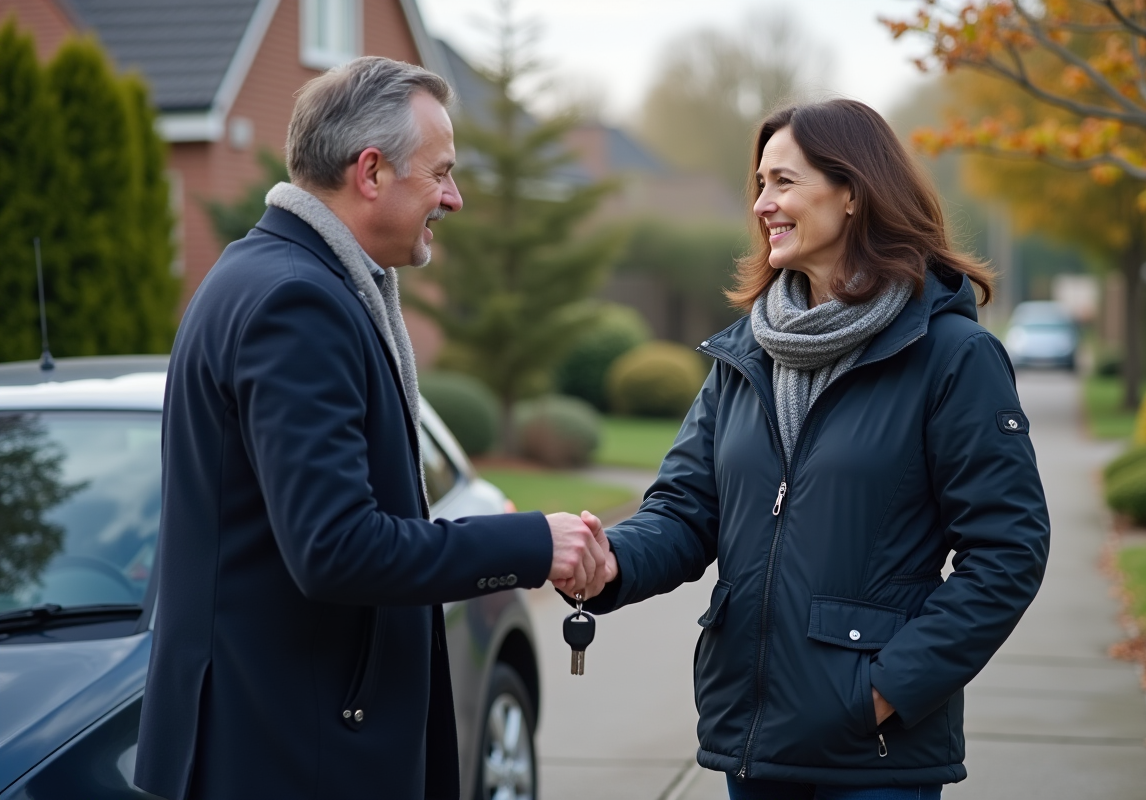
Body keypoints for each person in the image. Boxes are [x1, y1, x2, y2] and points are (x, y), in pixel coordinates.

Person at [134, 57, 611, 800]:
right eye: (442, 173)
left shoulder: (261, 275)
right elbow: (335, 548)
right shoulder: (298, 304)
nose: (453, 198)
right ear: (370, 172)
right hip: (289, 756)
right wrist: (533, 543)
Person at [578, 99, 1051, 799]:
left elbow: (1009, 549)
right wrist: (610, 562)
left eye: (785, 183)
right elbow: (685, 510)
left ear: (854, 192)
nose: (764, 203)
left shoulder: (953, 358)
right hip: (752, 743)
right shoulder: (745, 356)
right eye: (760, 185)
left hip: (874, 758)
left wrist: (886, 689)